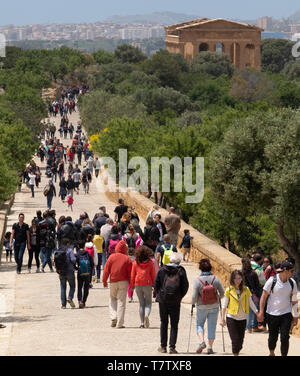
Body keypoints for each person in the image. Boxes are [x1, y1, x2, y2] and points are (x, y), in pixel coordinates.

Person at [258, 261, 298, 356]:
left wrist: (295, 316)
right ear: (285, 271)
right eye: (292, 271)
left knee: (285, 337)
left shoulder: (292, 283)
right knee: (273, 337)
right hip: (272, 314)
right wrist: (261, 312)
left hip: (286, 314)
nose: (293, 273)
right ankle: (272, 353)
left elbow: (294, 300)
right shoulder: (272, 281)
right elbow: (263, 297)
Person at [154, 252, 189, 354]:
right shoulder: (181, 271)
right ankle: (172, 347)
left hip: (163, 300)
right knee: (174, 324)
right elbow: (185, 286)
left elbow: (156, 284)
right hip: (175, 301)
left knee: (163, 322)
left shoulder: (162, 270)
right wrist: (179, 296)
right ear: (179, 261)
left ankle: (163, 346)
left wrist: (160, 295)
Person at [220, 270, 259, 356]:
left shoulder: (246, 289)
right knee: (235, 340)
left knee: (240, 342)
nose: (238, 281)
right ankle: (235, 354)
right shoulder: (229, 290)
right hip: (231, 317)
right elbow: (224, 305)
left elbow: (250, 302)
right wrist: (222, 319)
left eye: (239, 278)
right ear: (232, 279)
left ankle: (237, 351)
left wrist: (257, 312)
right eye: (235, 279)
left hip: (243, 318)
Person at [192, 259, 224, 354]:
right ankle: (210, 347)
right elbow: (222, 293)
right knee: (212, 326)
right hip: (214, 306)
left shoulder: (197, 280)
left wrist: (194, 303)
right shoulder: (216, 279)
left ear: (200, 268)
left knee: (199, 324)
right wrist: (217, 297)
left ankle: (202, 342)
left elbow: (194, 296)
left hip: (201, 306)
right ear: (210, 267)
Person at [102, 240, 132, 329]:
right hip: (124, 282)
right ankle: (120, 323)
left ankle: (113, 316)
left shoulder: (111, 257)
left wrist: (104, 281)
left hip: (113, 281)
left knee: (112, 299)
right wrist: (131, 284)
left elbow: (106, 270)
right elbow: (130, 273)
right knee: (122, 302)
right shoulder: (127, 259)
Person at [130, 246, 156, 328]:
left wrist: (131, 286)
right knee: (148, 302)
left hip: (138, 284)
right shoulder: (150, 263)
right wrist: (154, 285)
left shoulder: (135, 263)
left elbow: (132, 275)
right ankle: (147, 315)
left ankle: (141, 323)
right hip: (147, 283)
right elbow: (153, 275)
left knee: (141, 304)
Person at [241, 258, 263, 333]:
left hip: (244, 294)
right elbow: (257, 285)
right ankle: (254, 326)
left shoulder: (241, 274)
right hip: (253, 294)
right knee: (255, 310)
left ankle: (248, 327)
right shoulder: (253, 273)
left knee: (247, 311)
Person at [54, 238, 76, 309]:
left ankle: (63, 305)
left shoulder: (57, 251)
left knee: (63, 287)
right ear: (67, 244)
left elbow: (54, 261)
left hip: (61, 271)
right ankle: (70, 297)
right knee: (72, 286)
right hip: (69, 271)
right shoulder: (69, 250)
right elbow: (73, 259)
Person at [76, 239, 94, 309]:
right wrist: (90, 271)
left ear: (78, 246)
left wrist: (77, 268)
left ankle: (80, 300)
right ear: (84, 246)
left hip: (80, 272)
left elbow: (74, 262)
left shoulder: (77, 254)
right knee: (86, 288)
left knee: (80, 287)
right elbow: (92, 264)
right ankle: (84, 301)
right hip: (87, 273)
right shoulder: (87, 253)